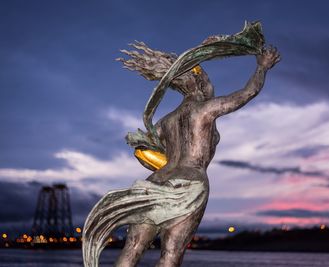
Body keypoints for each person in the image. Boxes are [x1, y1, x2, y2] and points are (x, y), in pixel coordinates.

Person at [83, 24, 280, 267]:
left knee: (133, 248)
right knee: (171, 253)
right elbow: (248, 92)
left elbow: (158, 157)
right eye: (203, 77)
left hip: (155, 183)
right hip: (190, 184)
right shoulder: (206, 110)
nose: (207, 80)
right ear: (197, 82)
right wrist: (262, 67)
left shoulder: (166, 122)